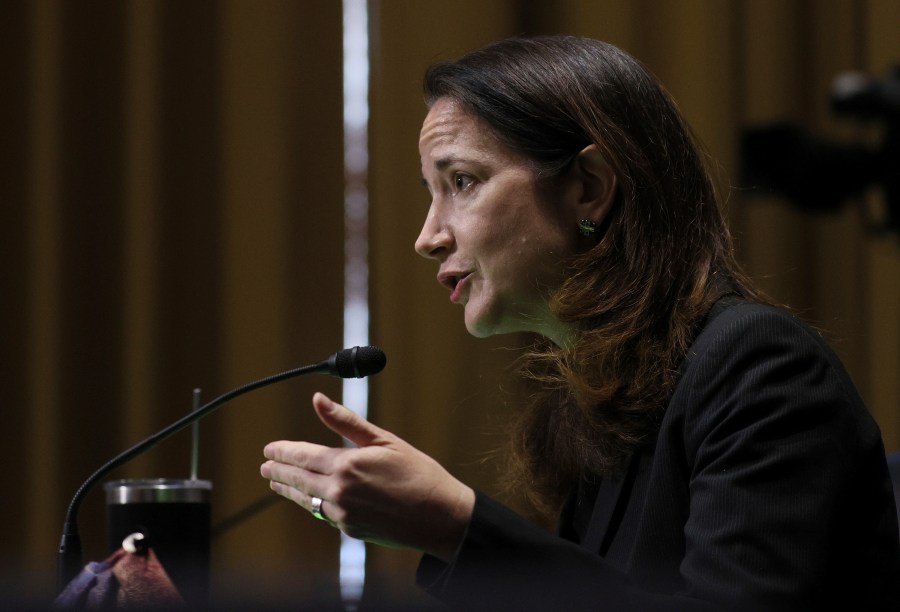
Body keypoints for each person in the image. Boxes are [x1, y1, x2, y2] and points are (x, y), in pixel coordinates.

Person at [260, 36, 900, 610]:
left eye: (462, 180)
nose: (427, 237)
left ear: (589, 187)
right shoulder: (608, 392)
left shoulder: (758, 363)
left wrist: (457, 527)